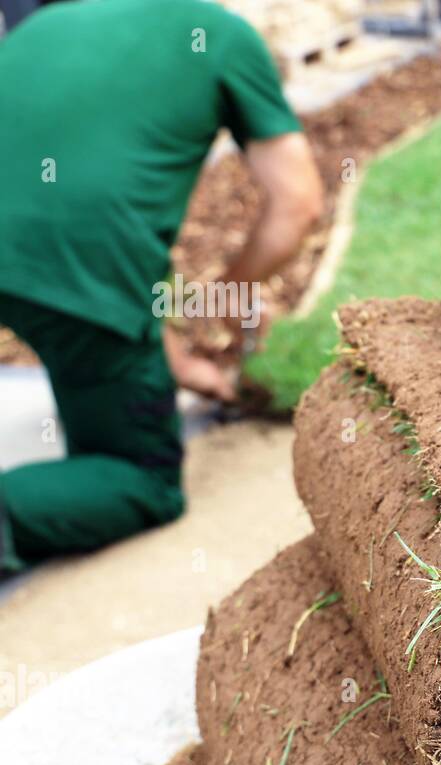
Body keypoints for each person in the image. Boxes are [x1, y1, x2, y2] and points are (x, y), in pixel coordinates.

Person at [0, 0, 324, 574]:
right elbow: (297, 203)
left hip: (47, 262)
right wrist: (224, 297)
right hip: (74, 264)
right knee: (139, 477)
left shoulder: (51, 22)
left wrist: (167, 349)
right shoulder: (220, 35)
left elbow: (85, 175)